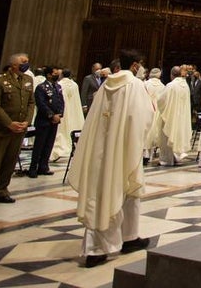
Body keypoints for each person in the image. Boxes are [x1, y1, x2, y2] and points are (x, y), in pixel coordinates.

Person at [69, 48, 155, 268]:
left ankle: (128, 237)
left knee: (101, 193)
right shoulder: (134, 85)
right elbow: (144, 117)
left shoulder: (105, 85)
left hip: (101, 149)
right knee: (127, 191)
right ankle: (101, 247)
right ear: (135, 65)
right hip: (125, 147)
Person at [0, 52, 34, 207]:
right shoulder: (0, 81)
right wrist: (9, 123)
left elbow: (31, 103)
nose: (26, 64)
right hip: (3, 129)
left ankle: (2, 190)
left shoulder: (28, 80)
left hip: (20, 129)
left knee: (10, 162)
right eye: (23, 62)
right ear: (14, 65)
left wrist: (26, 122)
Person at [152, 66, 192, 166]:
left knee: (167, 136)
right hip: (181, 115)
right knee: (177, 135)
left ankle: (166, 159)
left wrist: (156, 97)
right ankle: (176, 156)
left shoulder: (171, 85)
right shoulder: (185, 85)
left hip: (171, 115)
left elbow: (162, 100)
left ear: (172, 74)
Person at [28, 66, 64, 177]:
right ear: (48, 74)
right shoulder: (41, 87)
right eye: (55, 73)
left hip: (55, 121)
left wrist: (59, 114)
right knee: (39, 145)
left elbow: (61, 102)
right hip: (44, 120)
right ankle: (33, 168)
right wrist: (51, 115)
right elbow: (41, 104)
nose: (57, 74)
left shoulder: (58, 87)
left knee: (49, 145)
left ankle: (43, 166)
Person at [51, 69, 86, 162]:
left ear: (61, 75)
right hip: (73, 109)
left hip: (64, 109)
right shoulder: (75, 85)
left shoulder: (60, 84)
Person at [141, 68, 165, 164]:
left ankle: (144, 155)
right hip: (157, 112)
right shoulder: (163, 86)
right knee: (153, 133)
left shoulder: (145, 84)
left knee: (145, 133)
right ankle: (150, 156)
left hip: (146, 110)